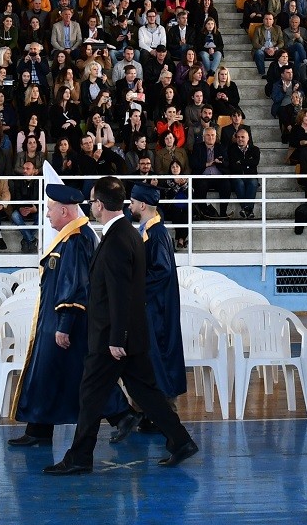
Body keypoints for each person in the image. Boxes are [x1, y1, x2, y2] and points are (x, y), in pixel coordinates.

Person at [46, 177, 198, 474]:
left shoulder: (117, 239)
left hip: (112, 338)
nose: (90, 206)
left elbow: (120, 293)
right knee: (146, 393)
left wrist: (117, 337)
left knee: (90, 395)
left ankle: (79, 458)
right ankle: (180, 440)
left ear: (100, 205)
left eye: (92, 201)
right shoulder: (128, 233)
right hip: (128, 334)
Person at [10, 180, 97, 447]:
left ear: (65, 211)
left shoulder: (76, 240)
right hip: (53, 320)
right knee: (47, 373)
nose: (46, 214)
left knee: (74, 376)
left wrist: (64, 323)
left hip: (63, 321)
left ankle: (121, 415)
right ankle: (38, 429)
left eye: (50, 209)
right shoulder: (70, 238)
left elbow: (73, 285)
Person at [109, 184, 187, 441]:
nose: (129, 207)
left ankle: (164, 416)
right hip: (151, 308)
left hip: (157, 310)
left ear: (142, 205)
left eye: (132, 203)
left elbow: (161, 272)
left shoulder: (157, 234)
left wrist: (133, 287)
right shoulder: (147, 232)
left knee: (158, 360)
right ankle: (150, 413)